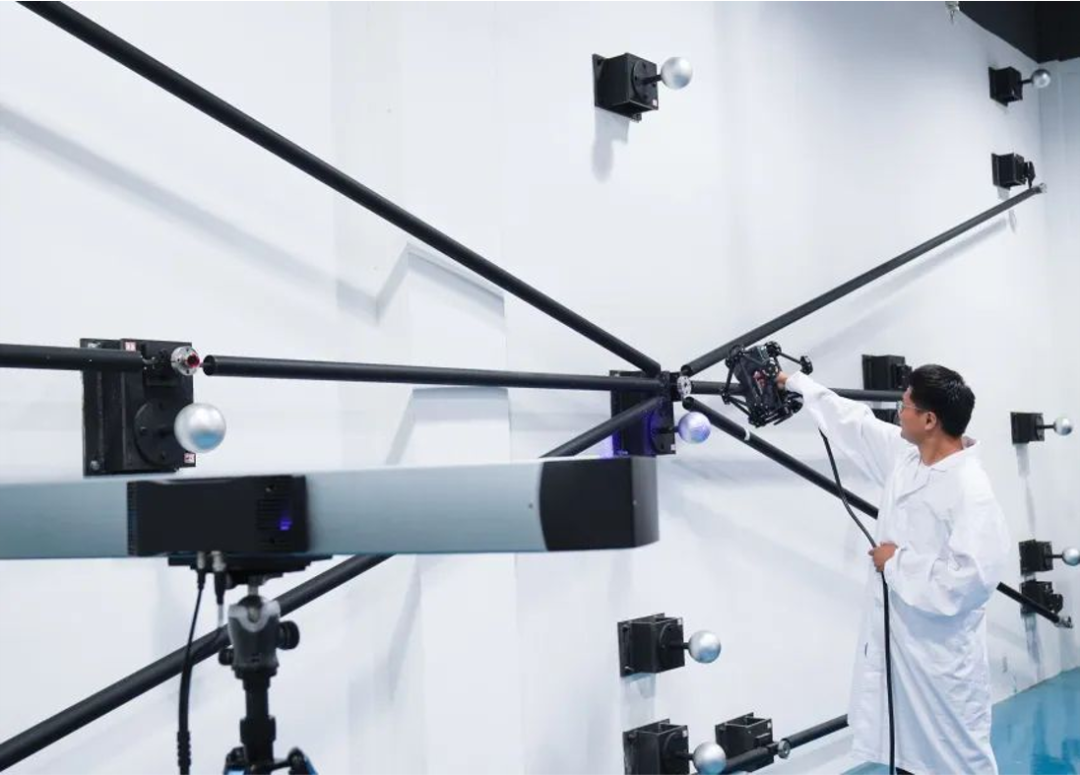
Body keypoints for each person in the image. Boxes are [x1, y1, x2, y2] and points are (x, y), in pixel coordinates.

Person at [778, 364, 1011, 774]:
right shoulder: (907, 460)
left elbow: (972, 580)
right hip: (903, 649)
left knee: (957, 760)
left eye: (905, 406)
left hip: (941, 660)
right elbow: (855, 424)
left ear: (929, 420)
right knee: (906, 754)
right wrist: (796, 383)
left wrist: (896, 563)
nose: (898, 413)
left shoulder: (969, 488)